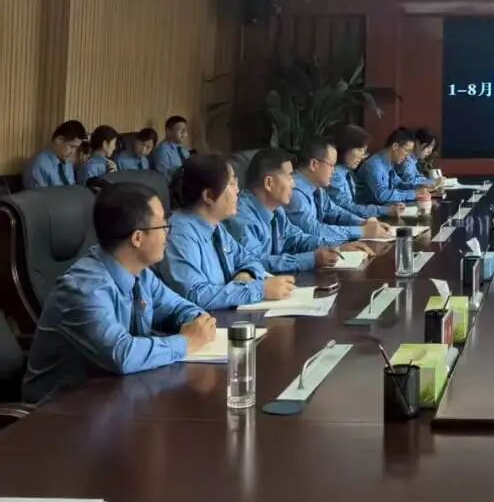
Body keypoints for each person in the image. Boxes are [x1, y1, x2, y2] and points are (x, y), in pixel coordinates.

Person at [22, 183, 215, 404]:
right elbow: (121, 354)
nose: (168, 234)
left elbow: (180, 308)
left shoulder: (141, 273)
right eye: (163, 226)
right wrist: (185, 342)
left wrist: (196, 323)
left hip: (114, 396)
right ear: (138, 238)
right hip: (58, 410)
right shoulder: (84, 289)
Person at [160, 155, 295, 310]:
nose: (237, 190)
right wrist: (260, 289)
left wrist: (246, 274)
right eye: (232, 184)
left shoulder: (216, 226)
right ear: (209, 196)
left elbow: (250, 259)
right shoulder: (180, 234)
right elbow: (195, 295)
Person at [227, 148, 374, 273]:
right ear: (269, 183)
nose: (293, 184)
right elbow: (254, 264)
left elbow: (296, 239)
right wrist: (312, 259)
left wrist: (336, 247)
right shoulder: (242, 218)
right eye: (289, 177)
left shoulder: (277, 210)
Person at [286, 139, 393, 242]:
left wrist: (364, 223)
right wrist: (362, 231)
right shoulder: (294, 192)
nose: (334, 171)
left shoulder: (317, 188)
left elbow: (335, 212)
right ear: (314, 164)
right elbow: (313, 230)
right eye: (332, 165)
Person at [328, 125, 404, 219]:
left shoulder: (347, 172)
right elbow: (347, 209)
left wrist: (387, 208)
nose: (362, 157)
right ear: (345, 147)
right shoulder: (335, 174)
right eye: (360, 150)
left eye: (364, 152)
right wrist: (385, 210)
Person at [355, 128, 420, 204]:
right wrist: (413, 194)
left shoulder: (388, 162)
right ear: (395, 146)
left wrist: (419, 187)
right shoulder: (374, 165)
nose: (407, 156)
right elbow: (382, 195)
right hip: (369, 209)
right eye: (407, 150)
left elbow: (398, 183)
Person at [22, 120, 87, 189]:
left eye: (76, 148)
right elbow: (38, 195)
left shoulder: (67, 162)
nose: (73, 152)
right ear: (59, 139)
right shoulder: (38, 164)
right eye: (71, 146)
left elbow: (72, 187)